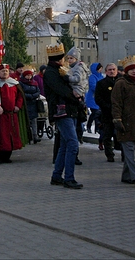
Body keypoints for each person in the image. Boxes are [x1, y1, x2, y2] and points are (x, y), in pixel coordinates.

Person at [44, 44, 83, 189]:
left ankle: (56, 175)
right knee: (72, 143)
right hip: (61, 111)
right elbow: (61, 90)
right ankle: (69, 178)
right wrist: (76, 98)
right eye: (62, 58)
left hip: (69, 110)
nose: (64, 60)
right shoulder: (51, 73)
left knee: (65, 145)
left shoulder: (60, 71)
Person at [0, 63, 31, 163]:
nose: (5, 73)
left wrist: (18, 105)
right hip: (0, 116)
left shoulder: (14, 83)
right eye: (2, 71)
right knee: (1, 136)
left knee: (12, 135)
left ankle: (7, 156)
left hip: (12, 115)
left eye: (6, 71)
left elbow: (20, 97)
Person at [112, 56, 135, 186]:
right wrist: (117, 119)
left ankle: (126, 176)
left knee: (131, 150)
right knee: (130, 150)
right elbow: (116, 103)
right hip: (125, 122)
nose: (134, 72)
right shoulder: (121, 83)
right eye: (131, 69)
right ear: (126, 71)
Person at [94, 63, 121, 162]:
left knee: (121, 134)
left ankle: (123, 153)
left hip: (120, 113)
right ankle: (109, 154)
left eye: (114, 69)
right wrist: (106, 106)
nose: (112, 71)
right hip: (107, 113)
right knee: (107, 135)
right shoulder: (101, 83)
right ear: (106, 71)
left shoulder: (121, 82)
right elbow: (98, 98)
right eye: (109, 69)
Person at [19, 66, 41, 144]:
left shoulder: (34, 83)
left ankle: (35, 136)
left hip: (33, 103)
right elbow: (21, 92)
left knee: (34, 120)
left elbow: (38, 91)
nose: (29, 77)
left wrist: (34, 96)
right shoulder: (21, 83)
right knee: (26, 121)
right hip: (25, 103)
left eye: (30, 75)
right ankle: (28, 136)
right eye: (27, 75)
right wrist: (29, 96)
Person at [86, 62, 103, 134]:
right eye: (99, 69)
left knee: (98, 114)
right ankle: (89, 126)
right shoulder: (93, 77)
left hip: (99, 97)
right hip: (93, 98)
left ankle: (97, 128)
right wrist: (100, 89)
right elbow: (93, 86)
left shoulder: (101, 76)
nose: (100, 70)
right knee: (95, 113)